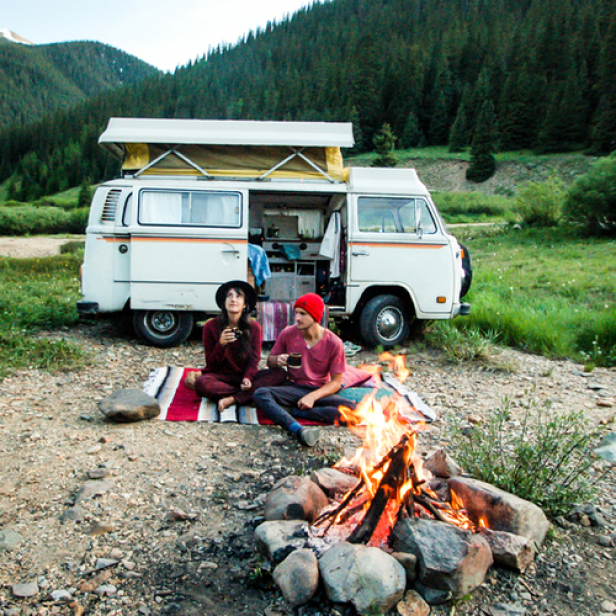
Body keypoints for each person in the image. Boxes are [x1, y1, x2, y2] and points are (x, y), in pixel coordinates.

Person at [253, 292, 356, 447]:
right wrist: (277, 360)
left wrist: (312, 397)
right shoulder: (288, 333)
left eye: (303, 314)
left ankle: (294, 411)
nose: (297, 318)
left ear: (315, 316)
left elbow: (336, 383)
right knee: (261, 394)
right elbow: (269, 362)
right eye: (296, 313)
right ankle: (298, 430)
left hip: (319, 390)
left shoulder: (334, 343)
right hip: (293, 387)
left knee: (353, 410)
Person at [186, 280, 285, 411]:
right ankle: (247, 396)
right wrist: (221, 344)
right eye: (229, 296)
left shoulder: (254, 327)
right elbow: (211, 365)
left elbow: (254, 359)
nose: (233, 299)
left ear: (245, 304)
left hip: (243, 375)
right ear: (224, 303)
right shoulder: (210, 327)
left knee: (280, 374)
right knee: (201, 383)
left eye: (238, 296)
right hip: (220, 376)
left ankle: (232, 398)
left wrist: (247, 378)